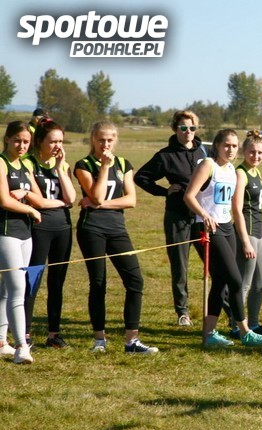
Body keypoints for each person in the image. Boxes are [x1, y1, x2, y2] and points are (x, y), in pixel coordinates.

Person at [74, 121, 159, 354]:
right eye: (101, 140)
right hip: (91, 229)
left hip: (117, 229)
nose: (105, 144)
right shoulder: (83, 165)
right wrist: (103, 168)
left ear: (116, 140)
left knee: (135, 280)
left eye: (110, 140)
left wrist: (99, 205)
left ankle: (132, 341)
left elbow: (131, 200)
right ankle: (99, 340)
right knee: (98, 282)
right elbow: (97, 195)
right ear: (93, 139)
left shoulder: (124, 164)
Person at [183, 129, 262, 349]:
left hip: (226, 227)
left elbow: (233, 204)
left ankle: (210, 333)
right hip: (206, 228)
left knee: (220, 282)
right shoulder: (208, 165)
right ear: (218, 146)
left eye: (234, 146)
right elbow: (189, 196)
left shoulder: (231, 169)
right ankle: (245, 331)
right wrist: (204, 215)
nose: (230, 150)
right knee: (235, 280)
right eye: (226, 145)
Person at [134, 110, 207, 327]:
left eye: (192, 128)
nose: (188, 132)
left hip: (203, 217)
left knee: (214, 264)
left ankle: (228, 311)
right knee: (180, 267)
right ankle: (183, 312)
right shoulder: (165, 156)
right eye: (183, 128)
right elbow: (141, 177)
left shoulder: (205, 152)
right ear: (175, 129)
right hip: (177, 217)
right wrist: (164, 191)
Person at [24, 118, 77, 349]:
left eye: (61, 142)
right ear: (39, 141)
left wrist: (59, 169)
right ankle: (25, 334)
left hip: (63, 228)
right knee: (32, 281)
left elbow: (71, 198)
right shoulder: (28, 164)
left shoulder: (62, 165)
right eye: (53, 141)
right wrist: (61, 202)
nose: (58, 146)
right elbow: (38, 201)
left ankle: (53, 334)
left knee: (57, 282)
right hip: (39, 228)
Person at [0, 122, 42, 364]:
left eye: (26, 141)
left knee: (7, 290)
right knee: (17, 290)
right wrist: (30, 209)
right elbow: (4, 201)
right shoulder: (1, 163)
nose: (21, 145)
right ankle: (21, 347)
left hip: (26, 234)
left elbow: (39, 198)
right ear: (7, 139)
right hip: (6, 233)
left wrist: (27, 196)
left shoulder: (26, 165)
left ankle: (1, 342)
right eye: (17, 140)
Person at [231, 130, 262, 340]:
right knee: (245, 283)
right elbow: (237, 209)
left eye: (260, 153)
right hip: (247, 233)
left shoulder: (256, 172)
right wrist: (245, 242)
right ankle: (236, 326)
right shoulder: (240, 173)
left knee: (261, 282)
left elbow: (258, 210)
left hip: (258, 233)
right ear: (244, 151)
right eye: (252, 152)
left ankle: (254, 324)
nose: (256, 156)